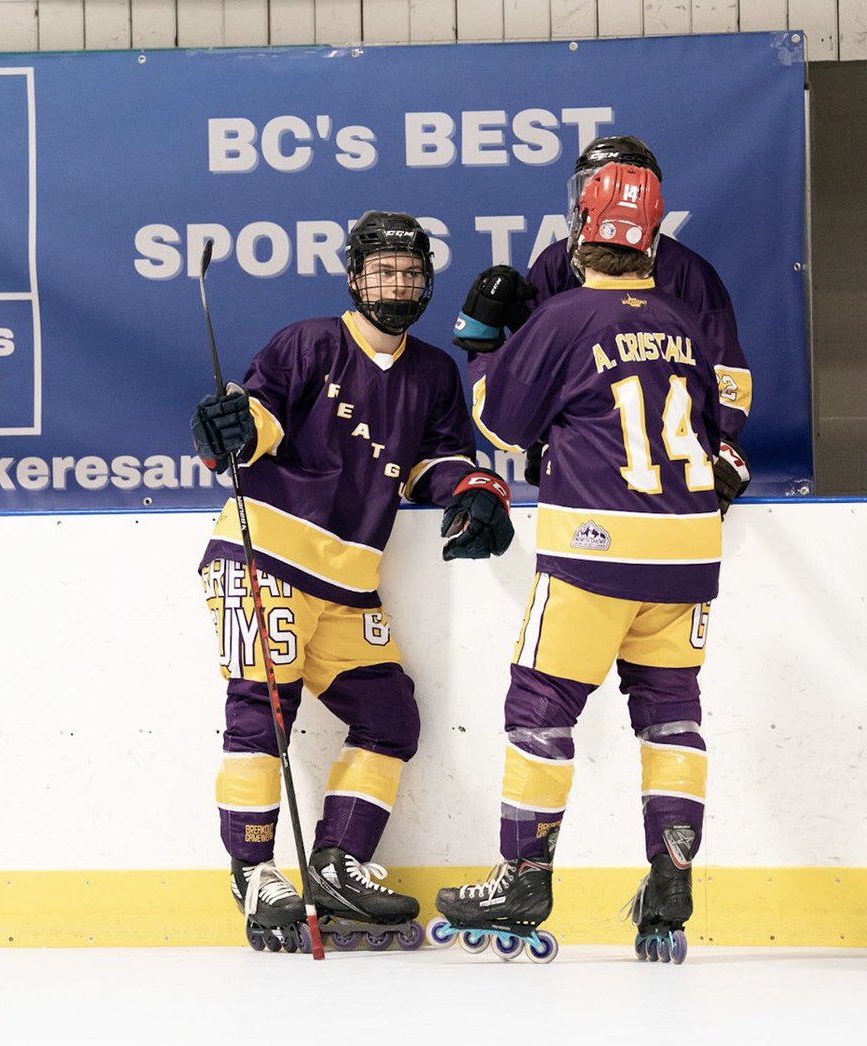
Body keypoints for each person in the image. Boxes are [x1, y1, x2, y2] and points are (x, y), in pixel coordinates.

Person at [190, 210, 514, 951]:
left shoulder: (433, 372)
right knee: (260, 715)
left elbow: (436, 459)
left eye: (410, 272)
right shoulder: (310, 341)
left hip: (346, 582)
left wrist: (469, 488)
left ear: (427, 282)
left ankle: (338, 861)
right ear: (354, 277)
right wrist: (232, 427)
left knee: (390, 718)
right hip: (263, 557)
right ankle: (255, 875)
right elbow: (261, 416)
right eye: (382, 271)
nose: (396, 284)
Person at [433, 163, 720, 964]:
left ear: (578, 230)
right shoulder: (685, 320)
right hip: (691, 552)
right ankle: (671, 875)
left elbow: (500, 423)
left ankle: (522, 877)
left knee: (540, 705)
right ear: (652, 236)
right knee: (672, 715)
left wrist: (484, 346)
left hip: (596, 546)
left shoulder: (563, 318)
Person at [454, 135, 751, 514]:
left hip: (598, 509)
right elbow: (544, 374)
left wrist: (483, 349)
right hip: (671, 506)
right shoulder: (554, 263)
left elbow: (727, 377)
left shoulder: (689, 276)